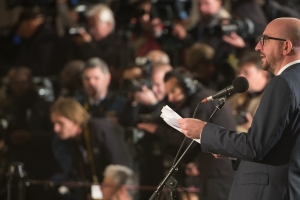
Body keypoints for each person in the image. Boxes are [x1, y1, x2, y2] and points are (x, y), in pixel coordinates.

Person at [177, 17, 300, 200]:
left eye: (265, 40)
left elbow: (255, 146)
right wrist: (229, 150)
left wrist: (204, 131)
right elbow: (281, 147)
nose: (258, 47)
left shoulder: (283, 83)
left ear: (286, 47)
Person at [51, 97, 132, 194]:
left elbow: (123, 171)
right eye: (54, 123)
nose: (56, 129)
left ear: (75, 120)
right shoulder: (73, 140)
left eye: (60, 123)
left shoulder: (100, 130)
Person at [76, 57, 135, 126]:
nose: (91, 82)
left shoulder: (121, 104)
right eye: (87, 78)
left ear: (107, 79)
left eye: (96, 78)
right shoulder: (76, 105)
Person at [227, 51, 270, 132]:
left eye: (246, 72)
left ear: (263, 73)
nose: (240, 76)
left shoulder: (273, 98)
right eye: (238, 72)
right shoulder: (237, 97)